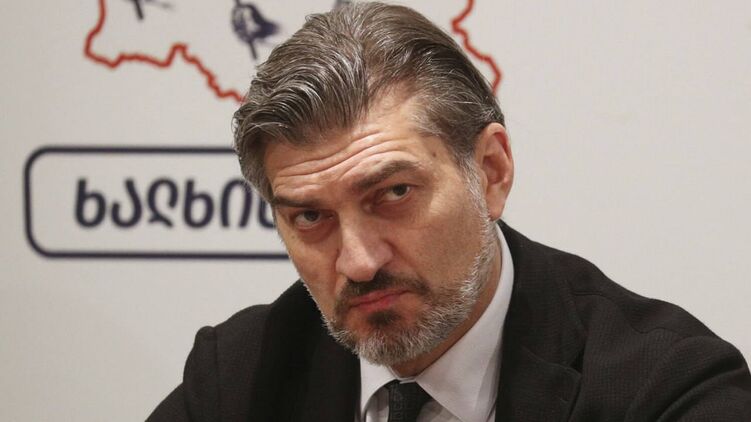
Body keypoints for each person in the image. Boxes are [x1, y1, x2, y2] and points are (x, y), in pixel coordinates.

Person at [148, 3, 751, 421]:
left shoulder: (664, 388)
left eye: (393, 194)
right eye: (311, 218)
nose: (358, 263)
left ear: (490, 171)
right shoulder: (239, 376)